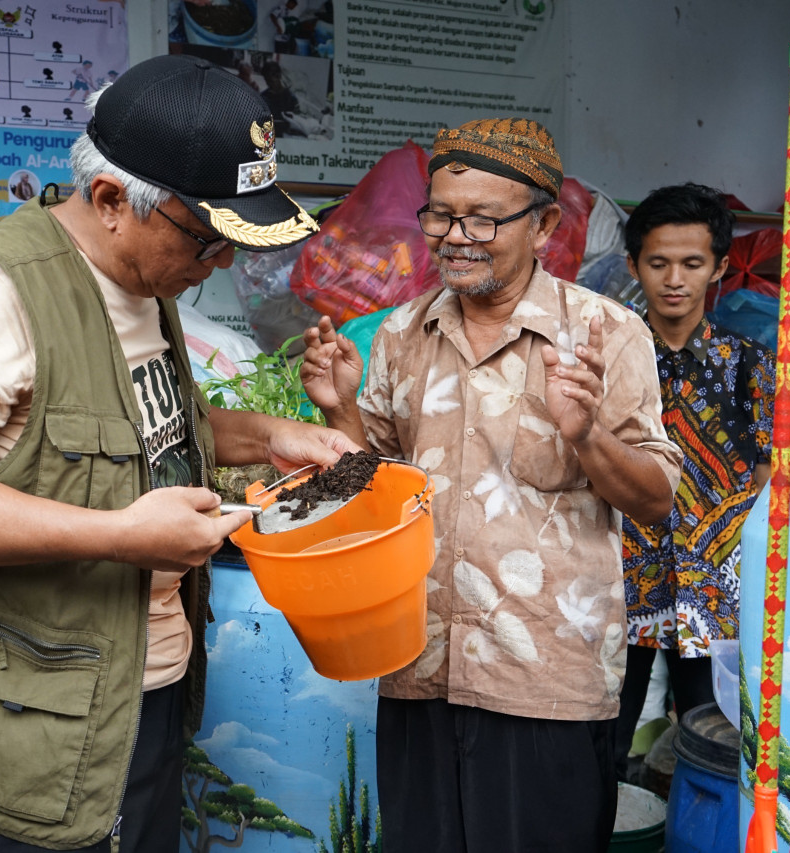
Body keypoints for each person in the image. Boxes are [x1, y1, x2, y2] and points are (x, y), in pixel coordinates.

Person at [0, 54, 354, 853]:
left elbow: (130, 430)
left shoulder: (145, 278)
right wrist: (119, 537)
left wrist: (272, 435)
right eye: (206, 239)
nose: (219, 264)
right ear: (113, 199)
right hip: (26, 728)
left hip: (138, 694)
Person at [300, 118, 683, 852]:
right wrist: (341, 408)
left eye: (483, 218)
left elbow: (656, 497)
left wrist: (586, 434)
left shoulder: (605, 332)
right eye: (441, 214)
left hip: (546, 680)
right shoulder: (403, 333)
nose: (455, 234)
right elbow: (372, 494)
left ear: (542, 226)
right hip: (419, 667)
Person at [613, 183, 776, 775]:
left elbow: (764, 475)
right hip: (618, 579)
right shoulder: (606, 358)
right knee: (602, 739)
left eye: (692, 263)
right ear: (635, 266)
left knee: (716, 741)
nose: (674, 278)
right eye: (658, 263)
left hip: (711, 591)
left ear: (720, 268)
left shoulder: (751, 365)